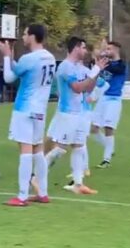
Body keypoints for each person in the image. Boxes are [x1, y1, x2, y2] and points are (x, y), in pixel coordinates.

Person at [0, 25, 56, 207]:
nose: (23, 37)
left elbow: (9, 78)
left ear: (32, 36)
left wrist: (6, 56)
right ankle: (43, 193)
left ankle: (22, 196)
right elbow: (23, 71)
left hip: (24, 108)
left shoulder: (29, 58)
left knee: (25, 151)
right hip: (40, 109)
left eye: (25, 34)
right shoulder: (50, 57)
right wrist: (11, 58)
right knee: (38, 150)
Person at [43, 37, 106, 194]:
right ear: (76, 48)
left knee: (78, 147)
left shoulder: (80, 68)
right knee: (60, 149)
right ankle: (37, 175)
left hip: (80, 114)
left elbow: (89, 88)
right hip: (67, 113)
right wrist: (94, 71)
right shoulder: (65, 67)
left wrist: (97, 71)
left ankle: (78, 184)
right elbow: (77, 88)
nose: (85, 51)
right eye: (83, 47)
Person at [91, 41, 127, 169]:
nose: (107, 51)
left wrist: (101, 56)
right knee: (93, 129)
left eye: (109, 49)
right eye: (106, 49)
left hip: (113, 99)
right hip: (102, 98)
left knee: (108, 128)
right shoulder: (106, 63)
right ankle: (110, 149)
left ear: (116, 50)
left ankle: (106, 160)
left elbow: (112, 68)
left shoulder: (121, 65)